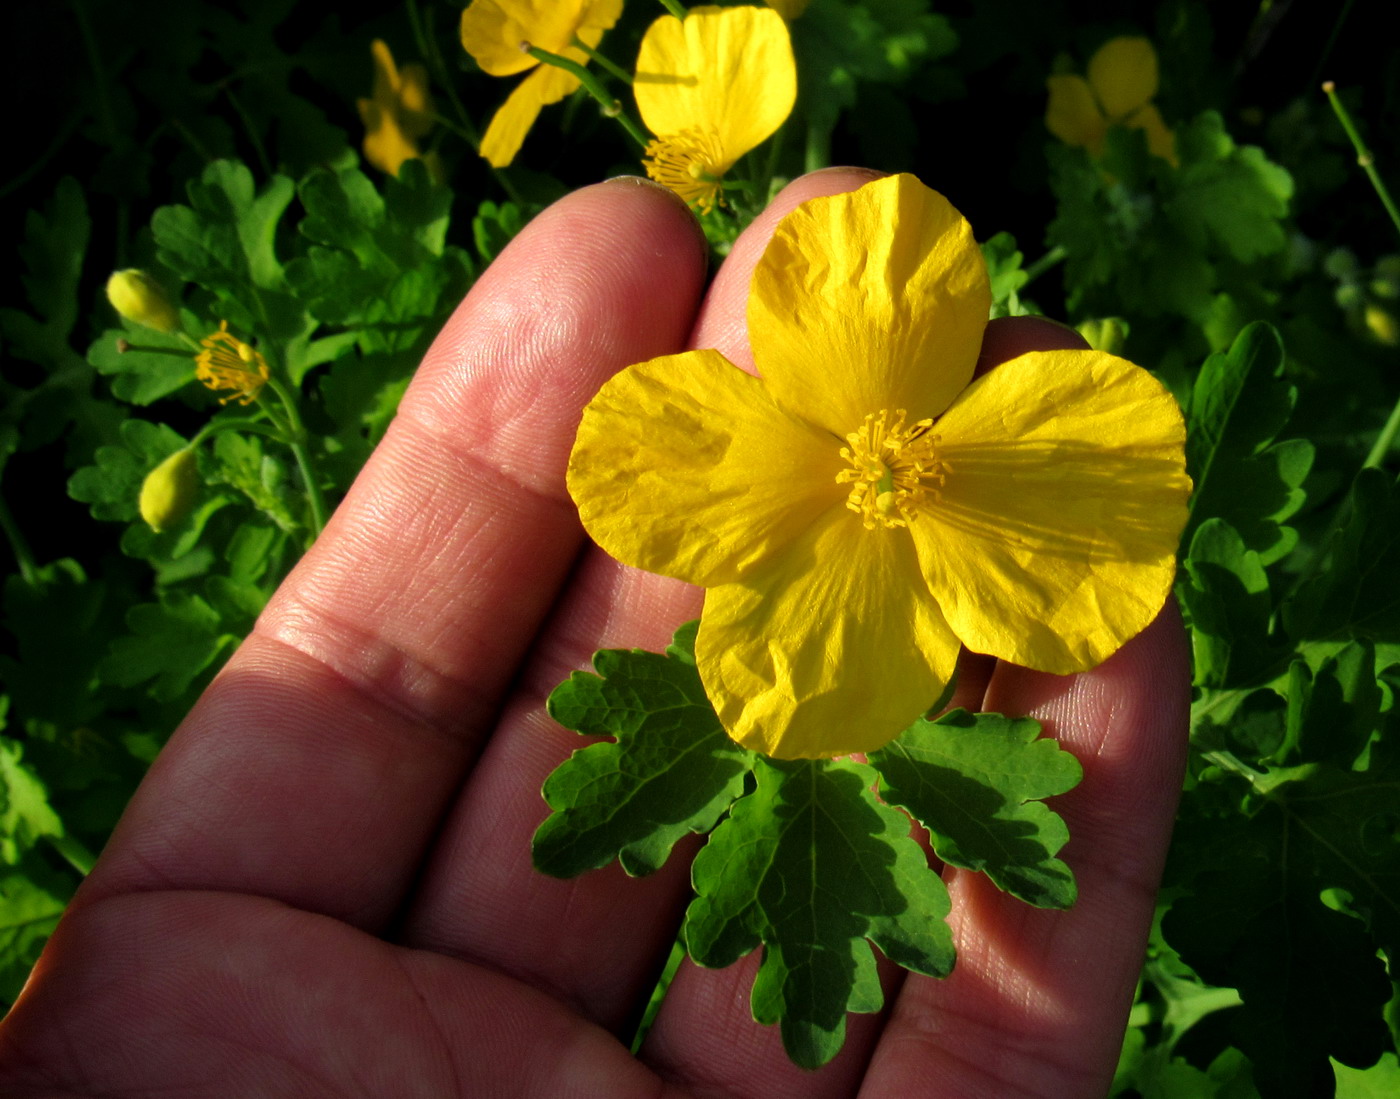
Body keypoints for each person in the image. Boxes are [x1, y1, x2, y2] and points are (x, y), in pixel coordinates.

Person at [0, 168, 1188, 1097]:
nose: (884, 469)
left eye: (888, 465)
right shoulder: (773, 530)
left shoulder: (986, 473)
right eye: (882, 466)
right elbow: (644, 468)